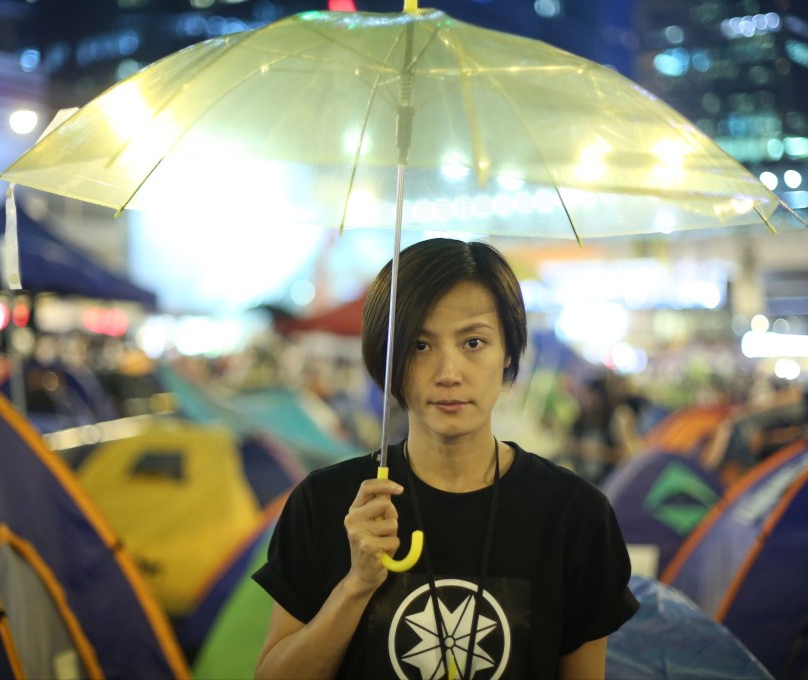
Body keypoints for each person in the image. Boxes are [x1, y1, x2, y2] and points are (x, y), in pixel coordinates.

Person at [253, 238, 638, 679]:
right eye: (419, 345)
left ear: (508, 351)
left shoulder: (574, 514)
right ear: (389, 357)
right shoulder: (326, 503)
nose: (448, 373)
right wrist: (356, 585)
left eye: (473, 342)